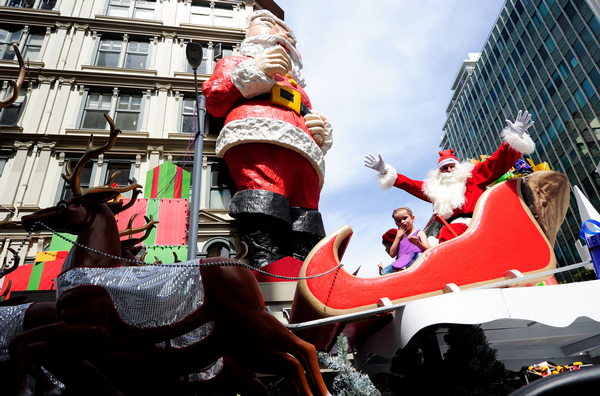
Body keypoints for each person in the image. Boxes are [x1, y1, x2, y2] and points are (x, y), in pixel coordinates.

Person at [202, 10, 333, 268]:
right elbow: (215, 99)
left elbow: (305, 114)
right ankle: (271, 274)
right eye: (267, 24)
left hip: (303, 154)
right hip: (258, 140)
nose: (282, 35)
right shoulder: (235, 62)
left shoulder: (297, 87)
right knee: (266, 207)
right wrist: (255, 71)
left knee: (307, 220)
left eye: (289, 34)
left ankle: (304, 275)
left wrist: (320, 132)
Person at [365, 110, 535, 243]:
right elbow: (408, 184)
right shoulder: (434, 190)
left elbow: (496, 163)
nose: (448, 170)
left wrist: (514, 136)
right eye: (444, 168)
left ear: (458, 166)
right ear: (439, 172)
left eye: (451, 166)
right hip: (450, 230)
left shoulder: (472, 177)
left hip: (477, 223)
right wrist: (385, 171)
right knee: (441, 240)